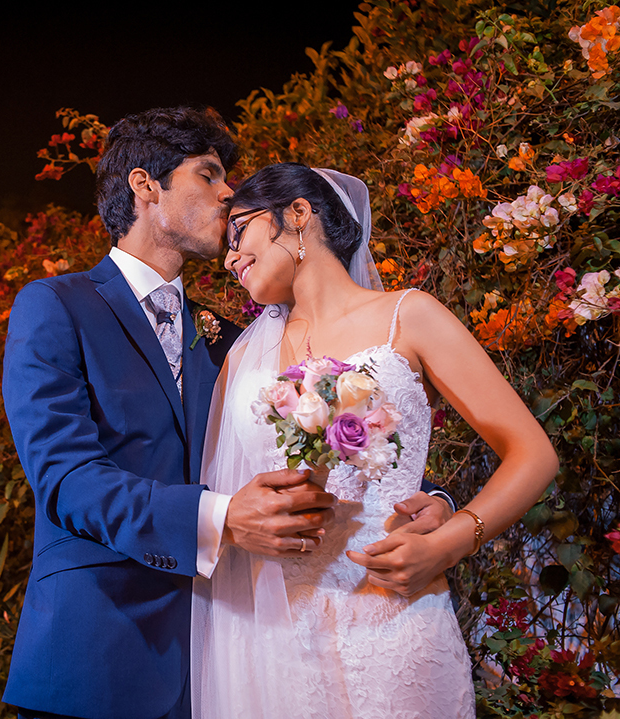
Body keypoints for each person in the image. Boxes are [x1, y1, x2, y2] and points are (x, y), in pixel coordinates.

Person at [1, 108, 451, 719]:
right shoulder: (57, 305)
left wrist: (425, 500)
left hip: (221, 663)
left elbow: (322, 439)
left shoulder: (234, 342)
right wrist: (222, 517)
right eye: (208, 174)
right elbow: (65, 479)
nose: (228, 193)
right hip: (96, 653)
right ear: (145, 186)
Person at [191, 164, 559, 718]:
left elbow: (533, 453)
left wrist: (451, 541)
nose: (229, 257)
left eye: (239, 230)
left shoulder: (408, 316)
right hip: (275, 639)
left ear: (297, 214)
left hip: (394, 613)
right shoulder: (241, 360)